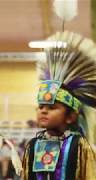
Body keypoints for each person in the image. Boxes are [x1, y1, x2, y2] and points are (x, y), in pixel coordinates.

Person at [22, 31, 96, 180]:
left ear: (70, 116)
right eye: (41, 107)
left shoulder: (79, 146)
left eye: (52, 108)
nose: (43, 111)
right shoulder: (33, 144)